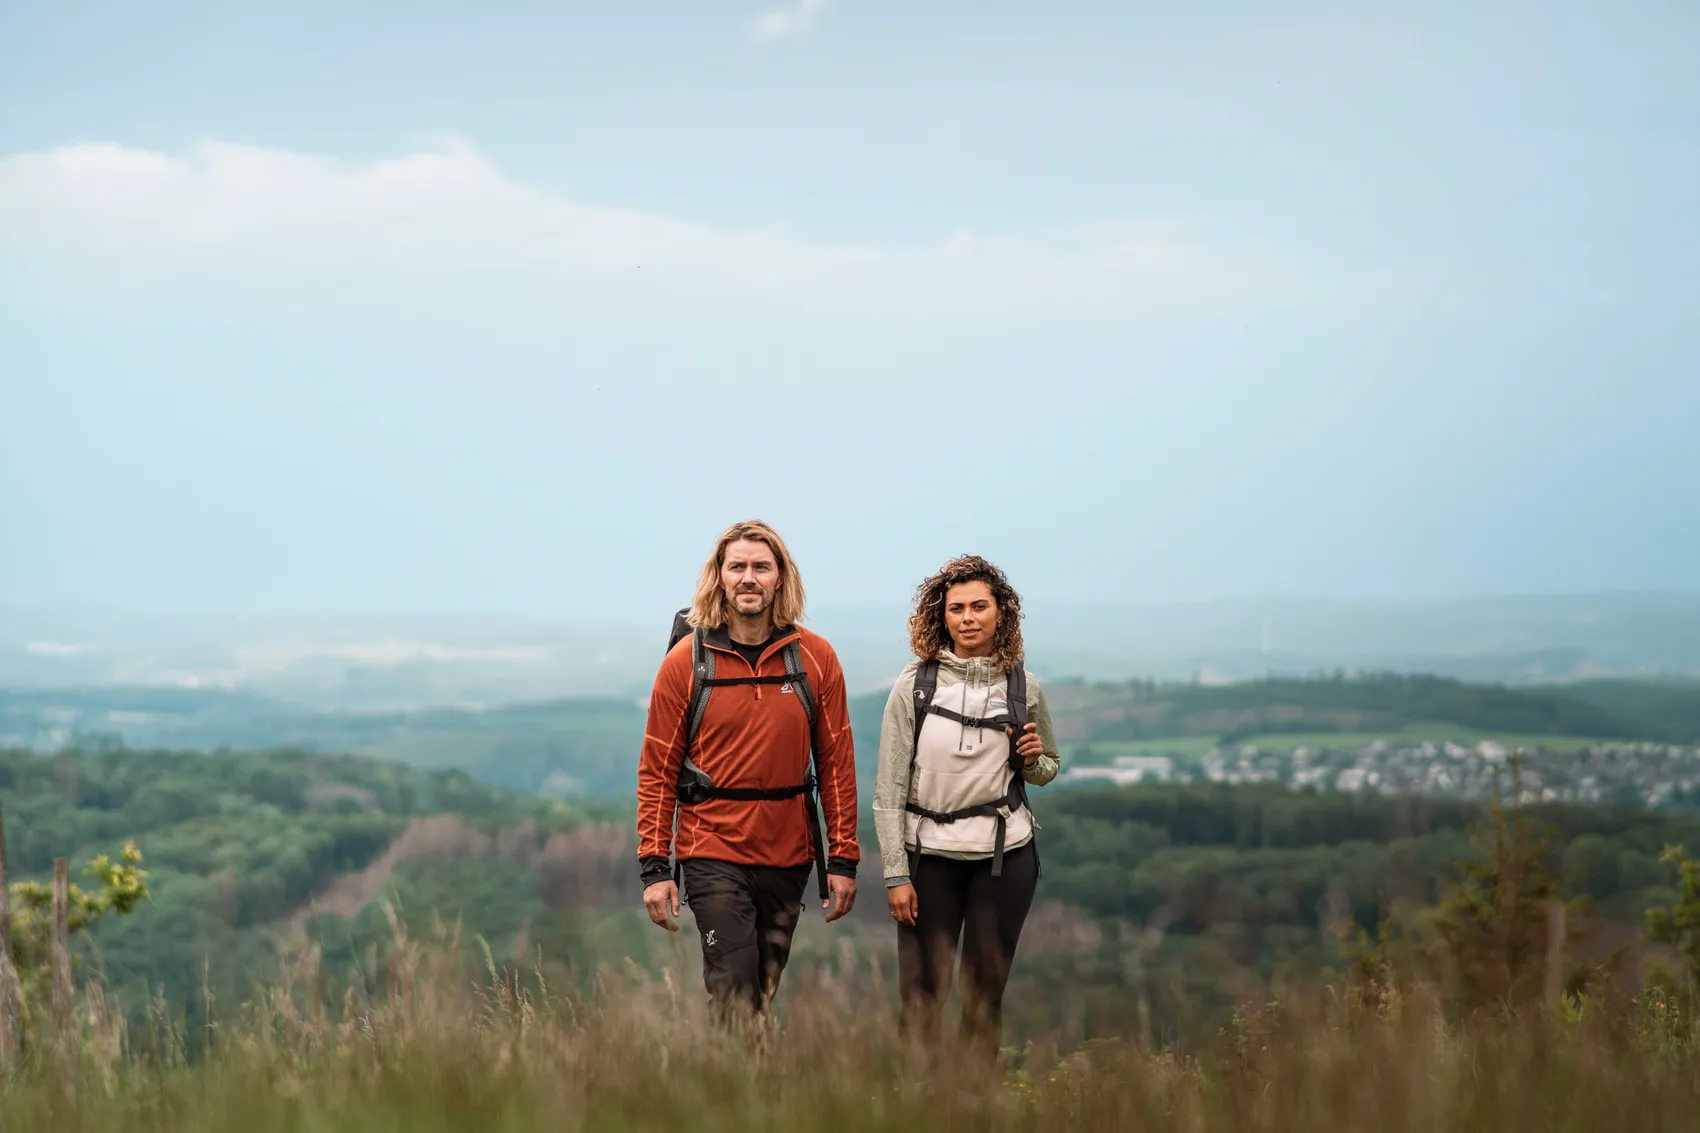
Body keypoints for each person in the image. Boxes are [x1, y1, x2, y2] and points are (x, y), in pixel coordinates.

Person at [636, 519, 860, 1026]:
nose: (749, 578)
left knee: (761, 990)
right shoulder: (684, 663)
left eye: (761, 567)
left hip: (788, 853)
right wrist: (654, 867)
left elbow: (836, 764)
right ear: (719, 578)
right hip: (711, 848)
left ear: (781, 577)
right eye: (737, 567)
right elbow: (657, 769)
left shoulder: (816, 659)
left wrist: (842, 859)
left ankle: (749, 1098)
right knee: (733, 989)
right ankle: (734, 1094)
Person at [872, 554, 1059, 1062]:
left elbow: (1047, 770)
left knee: (983, 998)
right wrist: (894, 874)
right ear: (942, 615)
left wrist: (1034, 759)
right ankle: (918, 1104)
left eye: (980, 606)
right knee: (921, 997)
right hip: (927, 859)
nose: (968, 618)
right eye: (957, 608)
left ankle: (973, 1107)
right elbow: (888, 790)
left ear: (1002, 613)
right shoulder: (914, 686)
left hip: (1005, 858)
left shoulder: (1024, 688)